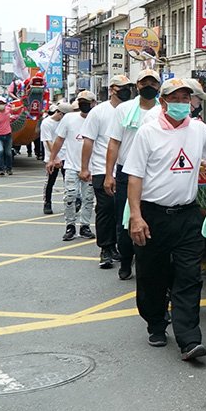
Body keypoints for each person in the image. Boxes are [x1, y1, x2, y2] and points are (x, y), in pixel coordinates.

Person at [124, 78, 206, 360]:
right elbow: (135, 177)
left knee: (189, 276)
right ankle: (156, 322)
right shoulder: (148, 133)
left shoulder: (199, 130)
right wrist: (136, 216)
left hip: (187, 214)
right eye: (175, 98)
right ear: (163, 102)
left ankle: (189, 339)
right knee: (153, 274)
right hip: (153, 215)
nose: (181, 103)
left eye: (186, 98)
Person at [105, 69, 163, 281]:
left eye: (153, 83)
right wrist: (109, 174)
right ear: (137, 86)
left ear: (158, 87)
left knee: (152, 218)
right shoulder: (124, 110)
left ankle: (146, 260)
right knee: (126, 219)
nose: (149, 87)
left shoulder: (163, 110)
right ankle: (126, 258)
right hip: (126, 172)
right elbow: (114, 142)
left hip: (155, 172)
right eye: (144, 82)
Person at [81, 74, 132, 269]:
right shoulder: (99, 112)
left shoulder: (132, 109)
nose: (125, 90)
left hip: (128, 168)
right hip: (103, 169)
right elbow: (88, 141)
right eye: (121, 87)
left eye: (128, 86)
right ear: (112, 89)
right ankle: (106, 248)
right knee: (106, 209)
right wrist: (85, 168)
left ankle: (125, 248)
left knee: (126, 210)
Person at [48, 90, 95, 242]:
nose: (84, 105)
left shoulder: (97, 119)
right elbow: (59, 140)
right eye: (81, 101)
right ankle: (70, 226)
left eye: (86, 102)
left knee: (88, 198)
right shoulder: (69, 118)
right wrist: (52, 158)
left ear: (93, 103)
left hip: (91, 167)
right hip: (71, 166)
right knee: (70, 196)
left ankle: (85, 226)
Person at [39, 103, 65, 215]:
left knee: (69, 181)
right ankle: (47, 203)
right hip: (52, 157)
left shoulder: (66, 122)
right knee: (50, 181)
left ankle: (72, 202)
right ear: (59, 113)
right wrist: (55, 158)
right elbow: (48, 141)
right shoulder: (46, 123)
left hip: (66, 155)